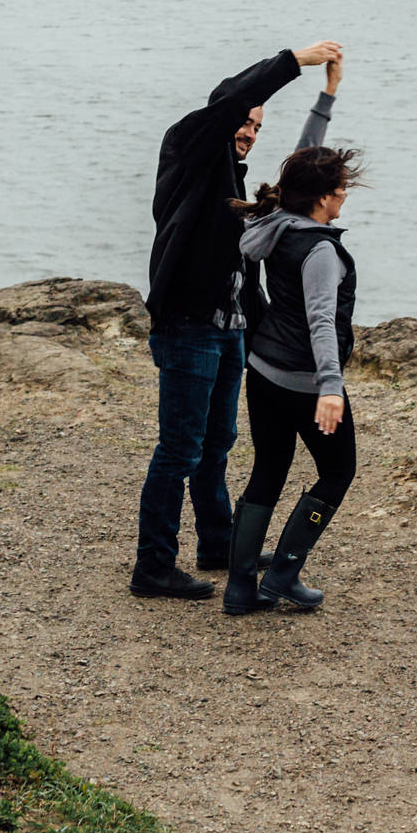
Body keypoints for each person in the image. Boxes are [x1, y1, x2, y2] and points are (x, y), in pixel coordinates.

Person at [132, 39, 342, 599]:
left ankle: (217, 542)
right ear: (224, 116)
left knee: (218, 442)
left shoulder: (239, 186)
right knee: (179, 449)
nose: (249, 131)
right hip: (188, 325)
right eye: (244, 121)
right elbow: (230, 101)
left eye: (257, 126)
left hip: (230, 330)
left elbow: (298, 183)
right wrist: (292, 62)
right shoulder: (189, 151)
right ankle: (152, 566)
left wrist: (327, 98)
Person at [224, 97, 365, 616]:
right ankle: (283, 574)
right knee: (337, 472)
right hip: (306, 381)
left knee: (269, 468)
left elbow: (303, 158)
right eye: (342, 189)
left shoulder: (279, 221)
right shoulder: (320, 251)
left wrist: (328, 97)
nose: (346, 195)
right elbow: (321, 322)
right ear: (324, 199)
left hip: (262, 370)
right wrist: (330, 388)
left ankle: (241, 589)